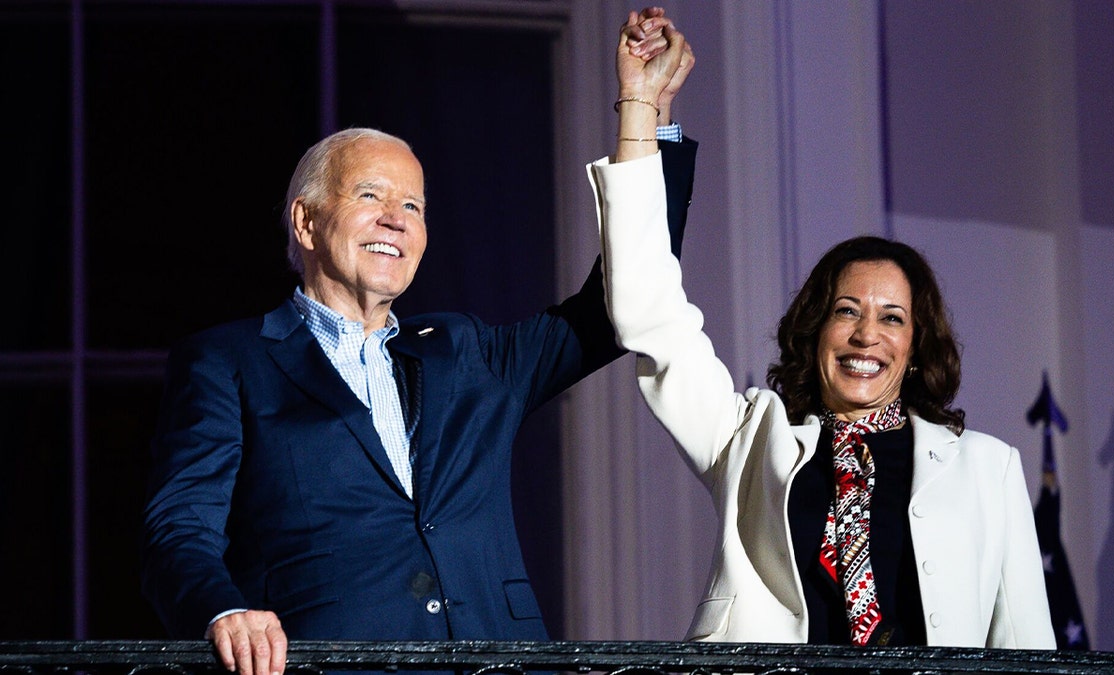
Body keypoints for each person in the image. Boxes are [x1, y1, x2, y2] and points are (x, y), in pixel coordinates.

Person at [141, 10, 696, 675]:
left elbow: (619, 306)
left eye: (415, 206)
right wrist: (221, 611)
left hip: (500, 663)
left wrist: (645, 113)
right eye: (371, 194)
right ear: (308, 220)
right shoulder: (229, 361)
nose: (395, 220)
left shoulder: (465, 351)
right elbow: (179, 530)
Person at [586, 21, 1055, 649]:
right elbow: (649, 310)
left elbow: (1027, 650)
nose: (867, 335)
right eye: (846, 311)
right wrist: (644, 110)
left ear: (917, 347)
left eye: (892, 318)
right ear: (814, 332)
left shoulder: (989, 469)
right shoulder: (750, 443)